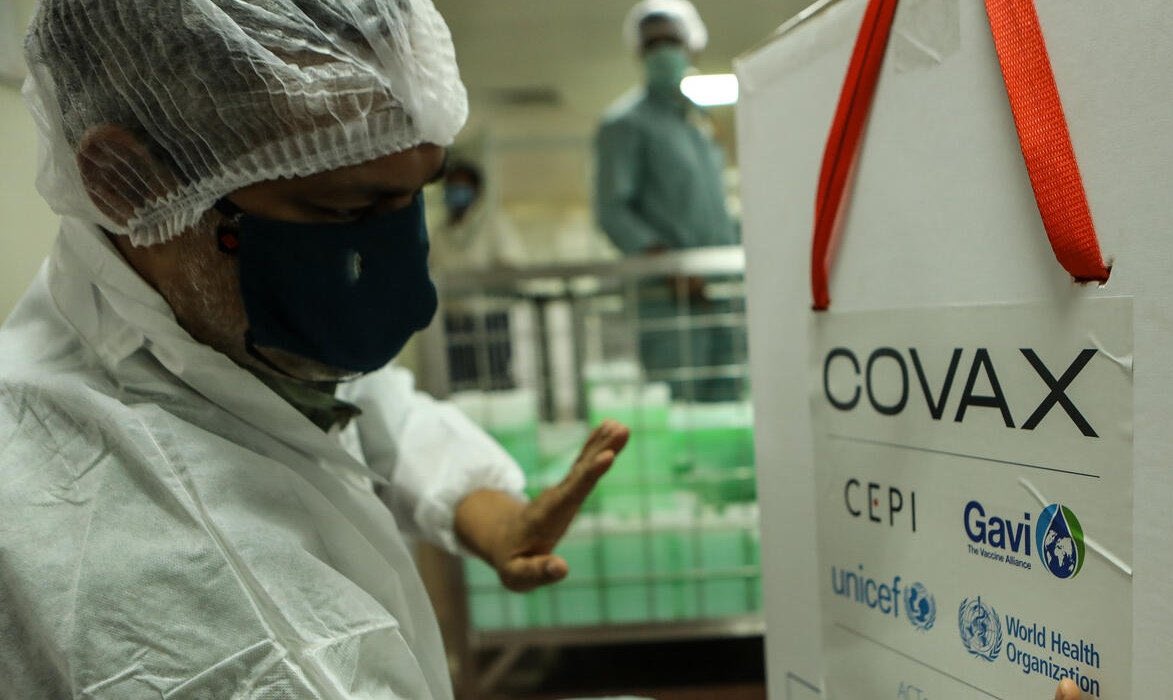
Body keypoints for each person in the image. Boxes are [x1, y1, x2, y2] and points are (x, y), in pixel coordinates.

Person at [0, 1, 628, 697]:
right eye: (345, 211)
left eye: (415, 194)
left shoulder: (187, 329)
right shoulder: (187, 590)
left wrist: (488, 512)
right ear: (128, 180)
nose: (409, 293)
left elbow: (351, 404)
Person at [594, 0, 743, 403]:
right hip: (669, 303)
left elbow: (715, 210)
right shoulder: (624, 124)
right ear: (639, 52)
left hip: (724, 294)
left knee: (734, 407)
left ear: (692, 47)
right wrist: (669, 267)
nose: (662, 50)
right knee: (683, 412)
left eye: (671, 41)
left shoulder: (696, 123)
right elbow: (611, 210)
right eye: (652, 43)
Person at [431, 160, 527, 392]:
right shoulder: (439, 232)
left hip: (490, 318)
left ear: (477, 191)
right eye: (451, 187)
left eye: (462, 187)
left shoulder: (493, 224)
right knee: (461, 385)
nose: (456, 192)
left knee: (495, 381)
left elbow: (511, 264)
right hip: (454, 321)